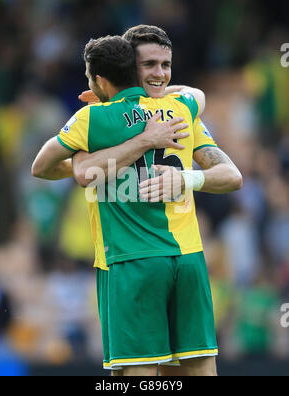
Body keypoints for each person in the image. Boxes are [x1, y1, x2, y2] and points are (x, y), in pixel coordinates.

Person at [32, 35, 242, 376]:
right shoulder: (182, 111)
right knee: (196, 372)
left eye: (165, 66)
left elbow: (56, 168)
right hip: (187, 260)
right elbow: (200, 101)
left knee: (133, 376)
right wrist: (186, 173)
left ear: (101, 78)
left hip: (130, 263)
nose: (160, 74)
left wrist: (184, 177)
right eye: (150, 65)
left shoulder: (94, 118)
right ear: (131, 68)